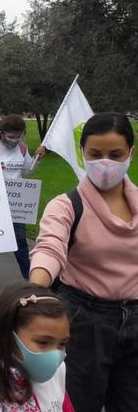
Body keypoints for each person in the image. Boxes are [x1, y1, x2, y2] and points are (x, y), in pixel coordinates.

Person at [29, 112, 137, 412]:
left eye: (115, 154)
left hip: (135, 322)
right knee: (78, 404)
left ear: (131, 151)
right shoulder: (67, 205)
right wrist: (34, 288)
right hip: (83, 322)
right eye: (95, 154)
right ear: (82, 153)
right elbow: (50, 248)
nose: (105, 163)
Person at [0, 282, 71, 411]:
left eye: (62, 344)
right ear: (8, 336)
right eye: (43, 342)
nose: (55, 355)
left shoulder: (58, 369)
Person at [0, 115, 44, 288]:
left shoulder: (22, 148)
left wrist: (37, 158)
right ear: (1, 132)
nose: (15, 139)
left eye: (18, 136)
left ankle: (29, 278)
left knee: (20, 241)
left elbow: (27, 170)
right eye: (11, 136)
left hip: (15, 204)